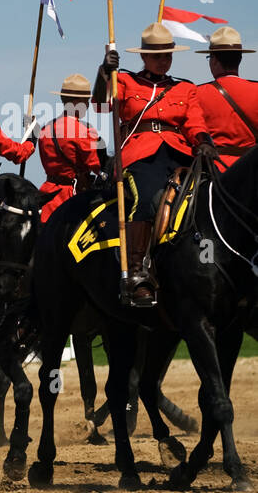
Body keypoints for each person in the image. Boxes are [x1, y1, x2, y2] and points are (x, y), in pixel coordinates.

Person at [92, 22, 213, 306]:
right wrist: (103, 72)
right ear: (144, 57)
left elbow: (194, 123)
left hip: (180, 154)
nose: (164, 60)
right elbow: (99, 105)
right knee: (145, 198)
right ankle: (137, 273)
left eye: (168, 55)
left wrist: (204, 141)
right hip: (140, 155)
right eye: (158, 55)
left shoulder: (185, 88)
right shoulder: (124, 81)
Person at [37, 75, 105, 223]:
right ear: (76, 102)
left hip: (47, 196)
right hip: (73, 197)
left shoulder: (45, 129)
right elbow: (96, 166)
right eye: (85, 101)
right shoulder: (85, 131)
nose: (87, 105)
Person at [193, 27, 258, 172]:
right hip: (252, 171)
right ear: (240, 59)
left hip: (215, 170)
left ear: (214, 60)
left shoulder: (197, 93)